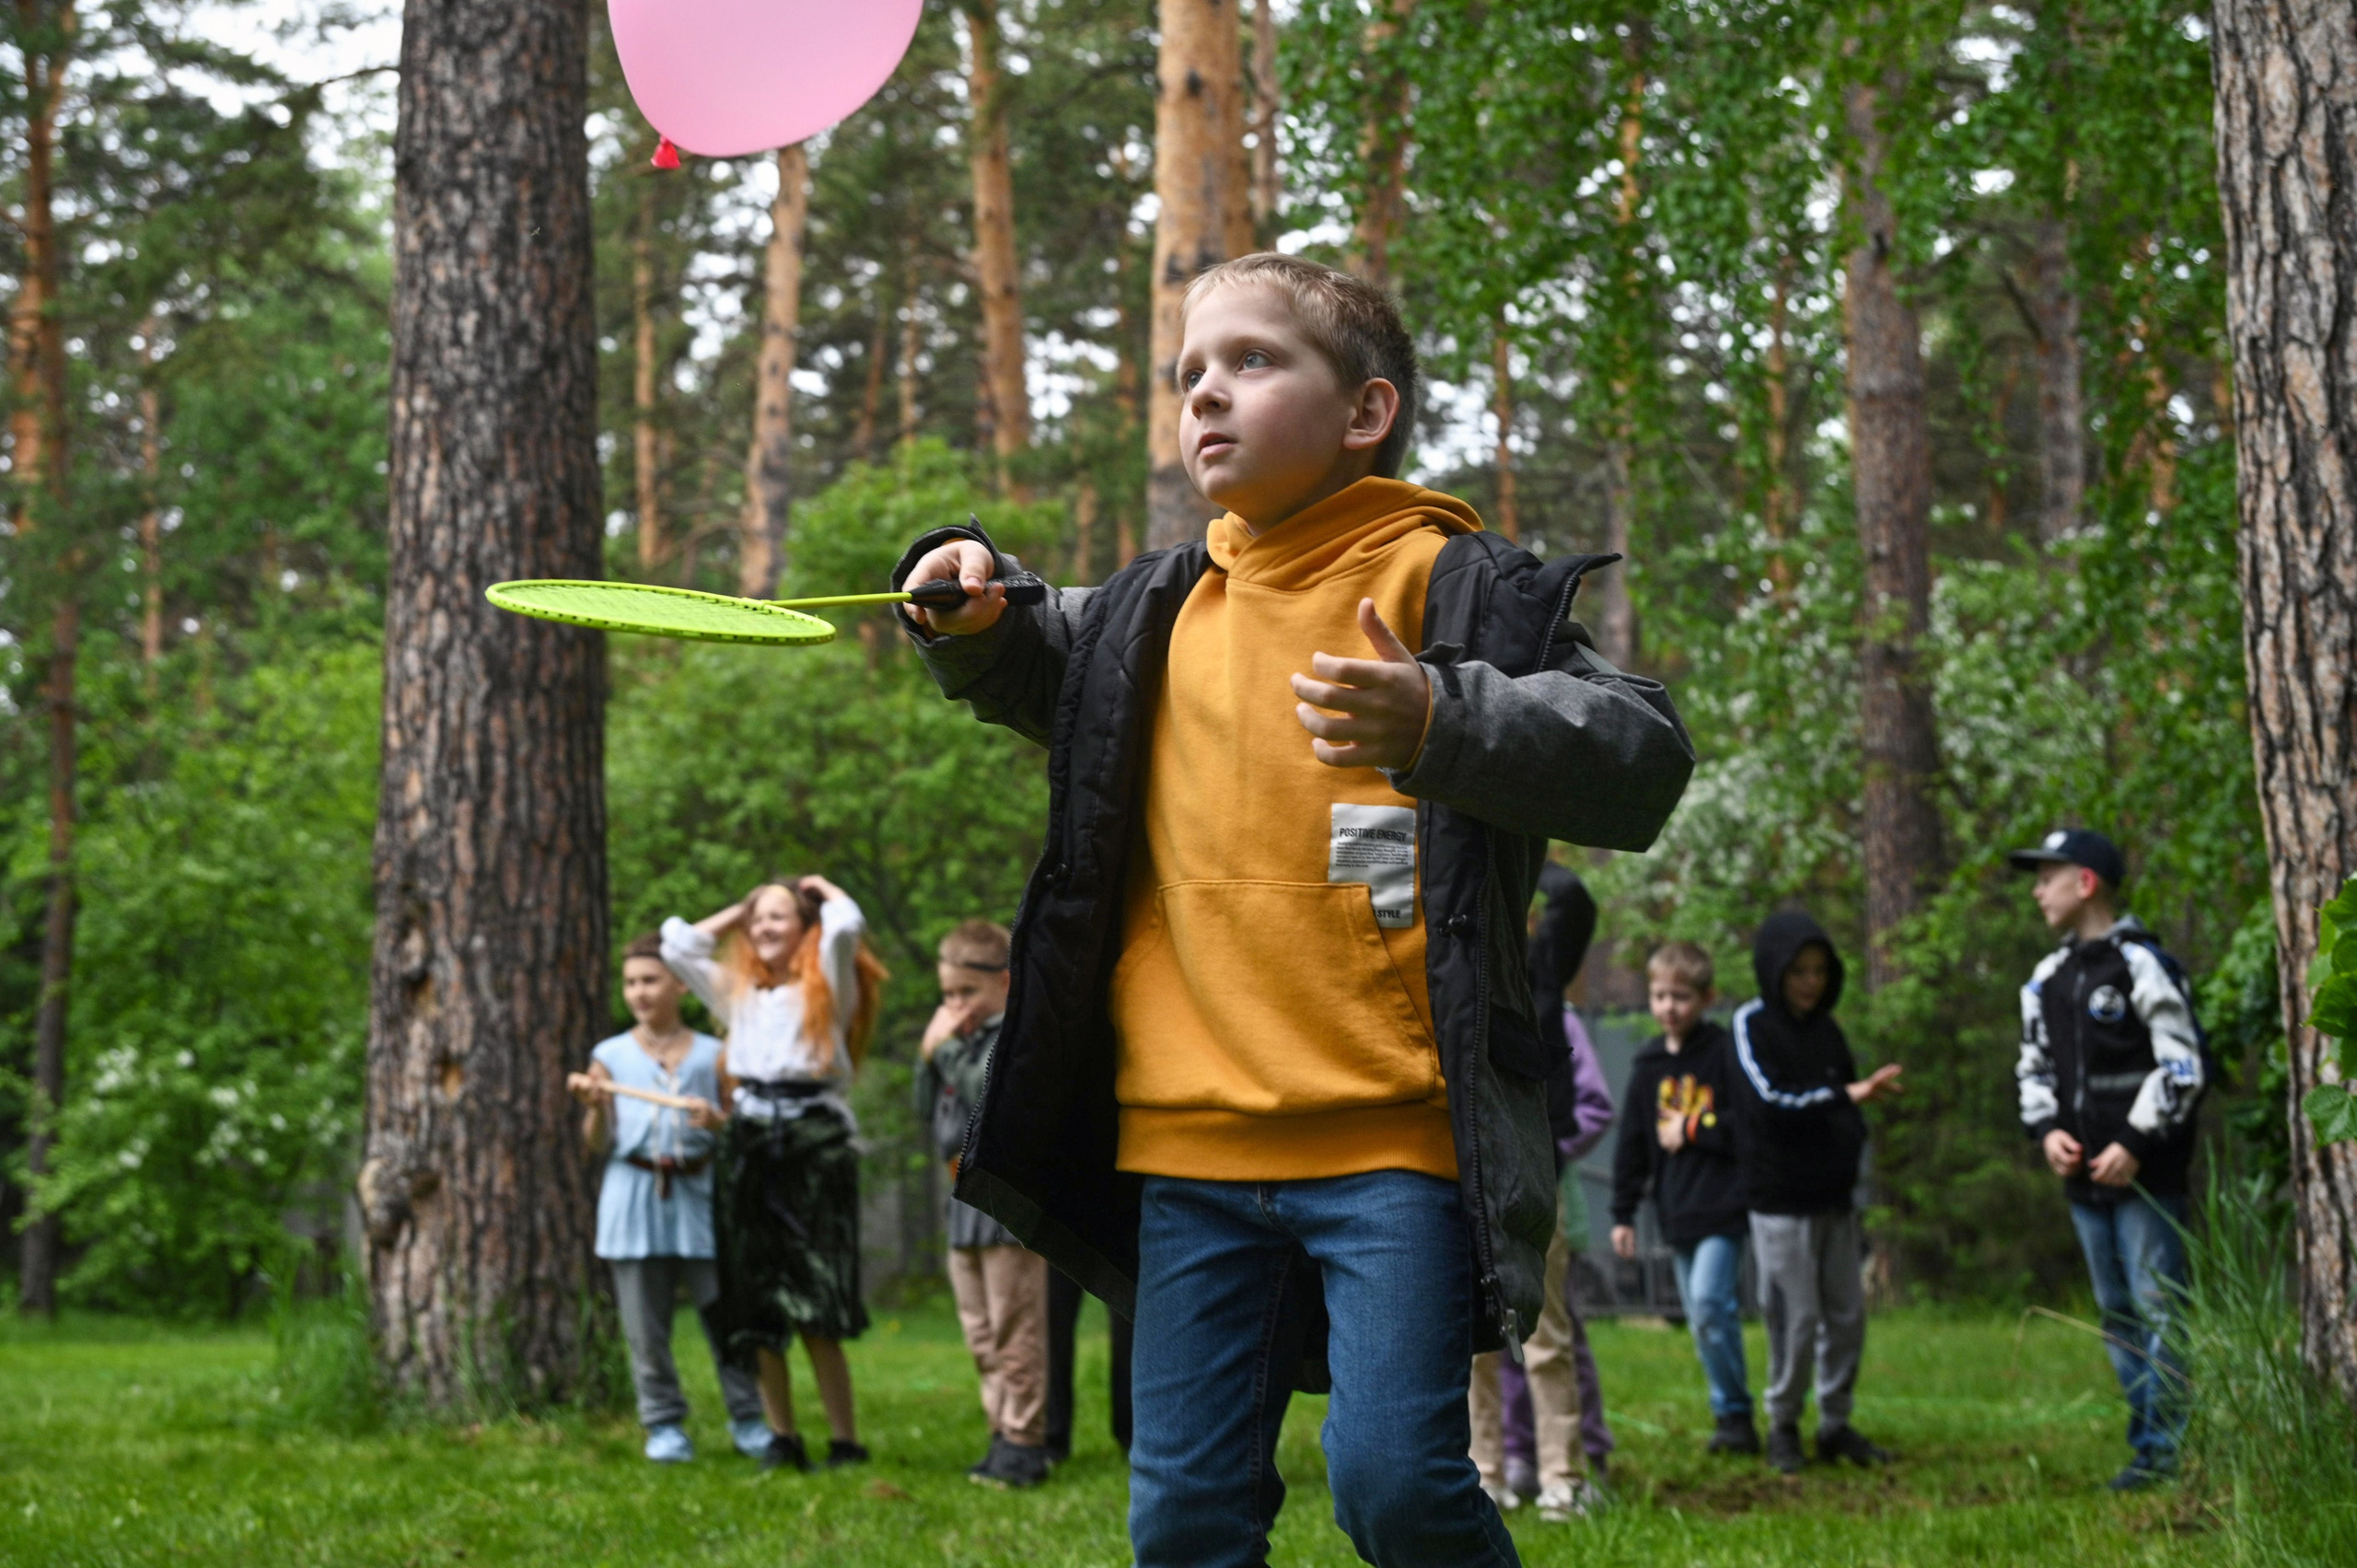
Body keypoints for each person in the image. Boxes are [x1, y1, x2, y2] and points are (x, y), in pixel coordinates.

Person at [892, 250, 1694, 1568]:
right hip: (1188, 1154)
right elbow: (1029, 645)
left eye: (1252, 362)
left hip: (1396, 1144)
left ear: (1364, 410)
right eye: (1188, 373)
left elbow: (1642, 750)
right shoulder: (1155, 611)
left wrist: (1443, 713)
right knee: (1186, 1516)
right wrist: (964, 586)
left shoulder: (1458, 584)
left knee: (1393, 1483)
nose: (1206, 394)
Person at [661, 876, 886, 1474]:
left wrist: (821, 889)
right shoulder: (736, 993)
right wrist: (741, 908)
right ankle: (782, 1436)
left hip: (812, 1141)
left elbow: (846, 925)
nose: (763, 928)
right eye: (757, 919)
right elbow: (677, 946)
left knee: (817, 1292)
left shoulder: (828, 986)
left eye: (778, 917)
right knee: (754, 1291)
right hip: (750, 1138)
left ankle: (845, 1439)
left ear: (804, 925)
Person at [2009, 828, 2204, 1492]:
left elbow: (2181, 1064)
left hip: (2148, 1178)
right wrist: (2046, 1131)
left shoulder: (2143, 964)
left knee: (2160, 1306)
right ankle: (2148, 1437)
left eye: (2047, 876)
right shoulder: (2046, 979)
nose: (2037, 890)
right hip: (2083, 1181)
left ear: (2085, 882)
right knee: (2116, 1308)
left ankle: (2172, 1446)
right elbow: (2033, 1067)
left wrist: (2137, 1142)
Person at [568, 934, 772, 1463]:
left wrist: (718, 1123)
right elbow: (596, 1143)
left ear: (679, 984)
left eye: (650, 979)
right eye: (631, 981)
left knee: (727, 1315)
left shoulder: (716, 1053)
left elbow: (740, 1131)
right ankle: (663, 1426)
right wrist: (593, 1107)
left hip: (702, 1197)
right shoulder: (608, 1056)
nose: (639, 992)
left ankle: (748, 1417)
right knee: (646, 1330)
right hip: (632, 1199)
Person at [1730, 912, 1903, 1476]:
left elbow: (1846, 1106)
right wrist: (1845, 1095)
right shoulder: (1750, 1024)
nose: (1810, 982)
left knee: (1847, 1316)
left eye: (1820, 970)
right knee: (1794, 1319)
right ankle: (1782, 1424)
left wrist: (1849, 1124)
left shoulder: (1828, 1030)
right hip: (1780, 1204)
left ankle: (1835, 1423)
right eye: (1799, 970)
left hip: (1834, 1200)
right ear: (1774, 971)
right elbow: (1771, 1098)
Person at [1470, 865, 1616, 1522]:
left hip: (1536, 1173)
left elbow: (1576, 900)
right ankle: (1485, 1473)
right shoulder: (1455, 963)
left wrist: (1519, 855)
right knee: (1475, 1338)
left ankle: (1564, 1475)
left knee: (1548, 1333)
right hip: (1466, 1173)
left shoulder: (1539, 971)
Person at [912, 919, 1054, 1490]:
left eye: (966, 993)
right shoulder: (959, 1041)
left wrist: (942, 1048)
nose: (954, 1006)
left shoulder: (1010, 1040)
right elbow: (926, 1109)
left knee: (1014, 1328)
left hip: (1005, 1204)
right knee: (978, 1330)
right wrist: (931, 1055)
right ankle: (1000, 1432)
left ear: (1005, 982)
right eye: (946, 995)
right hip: (962, 1203)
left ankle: (1026, 1441)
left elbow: (983, 1098)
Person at [1610, 939, 1757, 1456]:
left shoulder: (1723, 1053)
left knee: (1714, 1306)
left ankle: (1735, 1414)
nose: (1669, 1007)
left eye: (1681, 996)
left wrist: (1694, 1128)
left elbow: (1747, 1124)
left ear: (1707, 998)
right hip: (1675, 1211)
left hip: (1723, 1206)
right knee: (1700, 1317)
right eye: (1659, 996)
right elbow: (1632, 1141)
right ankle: (1730, 1413)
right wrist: (1622, 1213)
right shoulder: (1648, 1064)